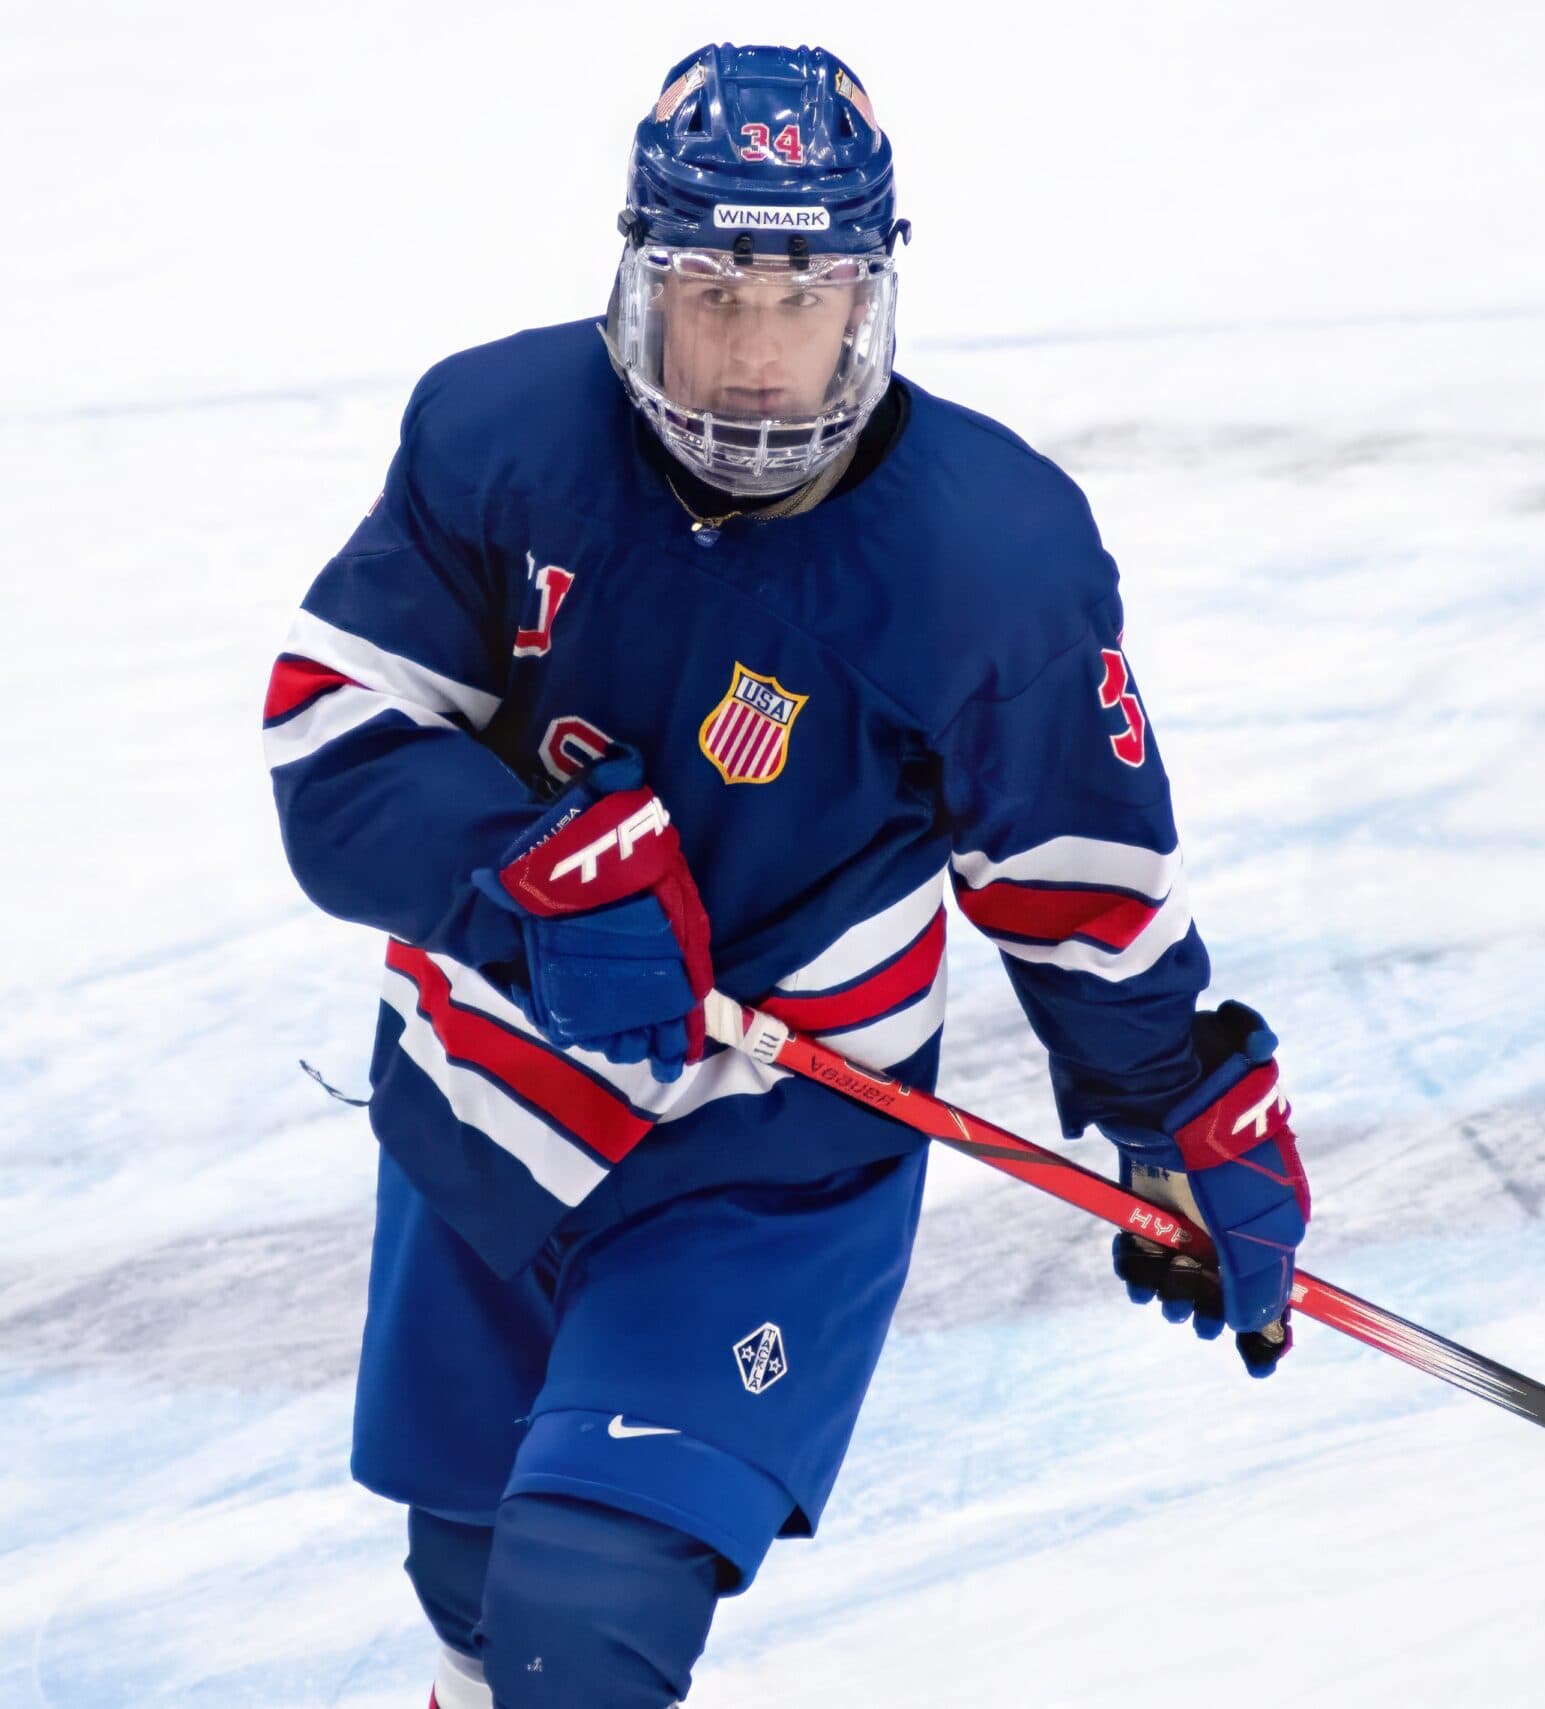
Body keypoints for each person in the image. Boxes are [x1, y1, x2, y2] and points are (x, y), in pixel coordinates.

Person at [262, 43, 1312, 1709]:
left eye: (802, 297)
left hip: (768, 1151)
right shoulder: (499, 437)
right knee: (465, 1570)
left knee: (584, 1612)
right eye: (714, 293)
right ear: (638, 279)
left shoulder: (992, 557)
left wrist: (1176, 1110)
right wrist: (519, 872)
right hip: (484, 1099)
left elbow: (1079, 880)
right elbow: (334, 736)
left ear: (872, 295)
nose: (755, 357)